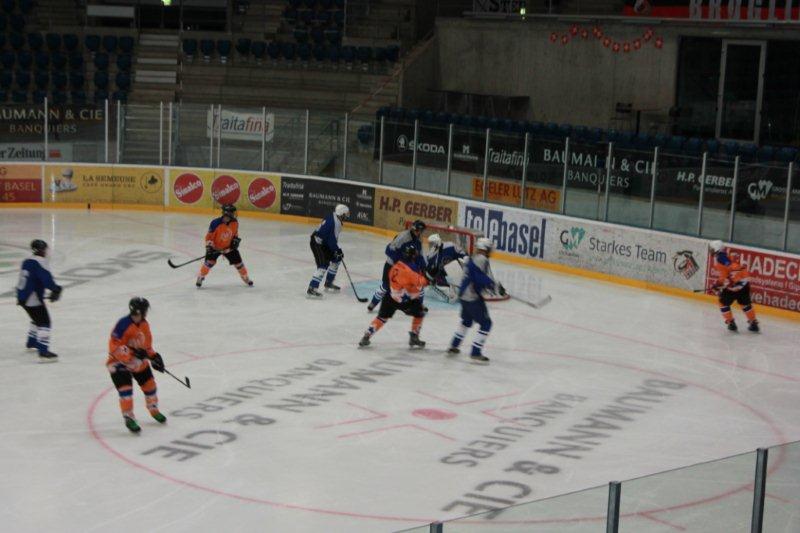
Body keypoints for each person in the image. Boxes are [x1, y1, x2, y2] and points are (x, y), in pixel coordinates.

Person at [107, 297, 167, 433]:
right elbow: (114, 346)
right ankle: (128, 417)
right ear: (141, 311)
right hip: (118, 363)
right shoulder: (123, 324)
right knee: (125, 390)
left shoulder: (144, 324)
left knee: (150, 384)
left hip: (137, 362)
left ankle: (153, 409)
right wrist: (132, 352)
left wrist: (153, 356)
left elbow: (146, 345)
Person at [359, 246, 428, 348]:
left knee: (382, 318)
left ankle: (367, 336)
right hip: (404, 300)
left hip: (390, 297)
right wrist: (429, 279)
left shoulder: (396, 265)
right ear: (413, 256)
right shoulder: (410, 270)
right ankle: (414, 337)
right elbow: (421, 282)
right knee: (419, 313)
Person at [448, 237, 501, 364]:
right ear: (485, 249)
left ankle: (454, 345)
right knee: (486, 323)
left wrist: (492, 286)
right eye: (489, 248)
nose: (490, 251)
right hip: (472, 297)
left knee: (466, 321)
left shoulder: (475, 257)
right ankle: (475, 352)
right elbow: (479, 278)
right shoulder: (482, 259)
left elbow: (475, 276)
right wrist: (493, 285)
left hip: (464, 295)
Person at [16, 239, 62, 361]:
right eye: (45, 249)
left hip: (22, 296)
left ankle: (32, 342)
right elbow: (46, 279)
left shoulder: (27, 260)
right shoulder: (40, 262)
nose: (46, 252)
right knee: (44, 322)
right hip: (32, 298)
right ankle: (43, 352)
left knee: (36, 318)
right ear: (41, 250)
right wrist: (56, 289)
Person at [367, 219, 427, 311]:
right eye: (419, 231)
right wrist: (400, 262)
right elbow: (389, 250)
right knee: (386, 286)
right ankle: (373, 303)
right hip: (392, 265)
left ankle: (418, 305)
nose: (420, 233)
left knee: (418, 285)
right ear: (415, 229)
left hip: (406, 268)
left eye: (421, 231)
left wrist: (423, 268)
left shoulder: (418, 240)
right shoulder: (403, 237)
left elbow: (420, 256)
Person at [196, 204, 253, 288]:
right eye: (233, 212)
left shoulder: (235, 222)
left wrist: (233, 244)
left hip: (228, 247)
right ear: (228, 213)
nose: (234, 214)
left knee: (238, 263)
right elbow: (209, 237)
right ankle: (201, 276)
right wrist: (209, 247)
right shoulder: (215, 223)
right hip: (215, 247)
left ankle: (245, 277)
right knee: (209, 262)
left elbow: (235, 235)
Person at [708, 240, 759, 332]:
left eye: (712, 249)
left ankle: (731, 322)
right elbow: (736, 268)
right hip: (744, 282)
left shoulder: (720, 258)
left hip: (734, 284)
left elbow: (726, 273)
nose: (710, 251)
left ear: (716, 249)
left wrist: (718, 285)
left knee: (722, 303)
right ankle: (753, 323)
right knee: (745, 303)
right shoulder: (730, 252)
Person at [307, 204, 349, 298]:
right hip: (317, 243)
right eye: (346, 214)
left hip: (324, 242)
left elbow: (330, 239)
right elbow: (331, 240)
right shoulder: (335, 223)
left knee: (336, 259)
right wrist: (337, 250)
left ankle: (328, 282)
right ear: (341, 214)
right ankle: (312, 288)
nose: (347, 216)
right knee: (323, 266)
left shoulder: (334, 216)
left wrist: (336, 251)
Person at [425, 233, 467, 300]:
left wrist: (465, 257)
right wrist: (430, 276)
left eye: (432, 243)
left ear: (437, 242)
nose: (431, 245)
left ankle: (460, 288)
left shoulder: (450, 246)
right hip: (442, 278)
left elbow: (461, 252)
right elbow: (428, 273)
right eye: (430, 243)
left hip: (455, 273)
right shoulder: (430, 256)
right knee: (451, 296)